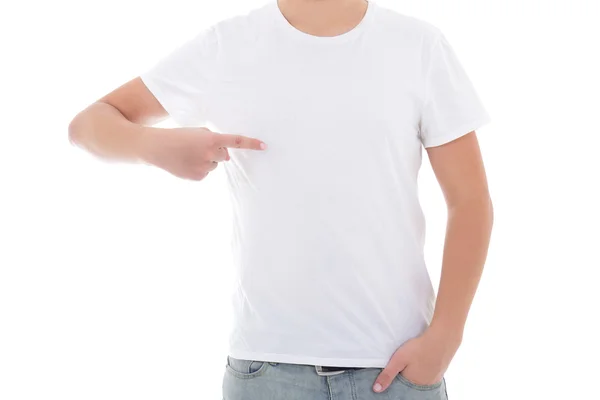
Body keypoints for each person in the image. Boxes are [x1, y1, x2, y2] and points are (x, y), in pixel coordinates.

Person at [68, 0, 494, 398]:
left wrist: (445, 337)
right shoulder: (227, 46)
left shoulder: (417, 46)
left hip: (395, 370)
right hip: (266, 375)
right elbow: (89, 124)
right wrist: (155, 146)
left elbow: (469, 201)